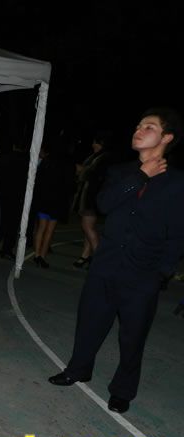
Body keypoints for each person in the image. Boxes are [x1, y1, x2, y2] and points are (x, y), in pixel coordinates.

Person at [48, 107, 184, 414]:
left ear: (167, 137)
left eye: (148, 127)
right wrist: (141, 175)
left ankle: (123, 390)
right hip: (105, 266)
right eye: (138, 125)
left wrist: (161, 273)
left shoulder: (177, 183)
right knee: (89, 323)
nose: (138, 130)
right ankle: (78, 369)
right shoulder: (121, 172)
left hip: (143, 274)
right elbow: (104, 204)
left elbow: (178, 234)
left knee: (132, 338)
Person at [70, 130, 115, 268]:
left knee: (87, 227)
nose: (93, 144)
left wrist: (82, 170)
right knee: (88, 229)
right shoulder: (96, 156)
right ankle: (85, 256)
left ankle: (98, 259)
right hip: (89, 196)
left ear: (102, 143)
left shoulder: (105, 158)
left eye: (96, 142)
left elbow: (96, 176)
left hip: (92, 198)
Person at [31, 140, 74, 268]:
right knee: (50, 230)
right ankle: (43, 256)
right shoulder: (68, 164)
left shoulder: (47, 161)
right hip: (58, 201)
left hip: (44, 199)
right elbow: (70, 185)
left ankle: (36, 255)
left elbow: (38, 180)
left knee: (41, 228)